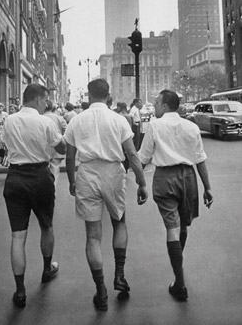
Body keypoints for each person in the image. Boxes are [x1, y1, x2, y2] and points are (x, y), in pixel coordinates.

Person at [64, 79, 148, 312]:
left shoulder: (76, 121)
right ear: (107, 95)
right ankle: (119, 275)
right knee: (119, 222)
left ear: (88, 95)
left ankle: (100, 290)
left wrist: (72, 181)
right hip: (113, 173)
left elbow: (70, 157)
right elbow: (131, 154)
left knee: (93, 236)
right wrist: (141, 183)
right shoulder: (118, 120)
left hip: (87, 173)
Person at [138, 90, 213, 301]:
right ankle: (178, 264)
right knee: (183, 225)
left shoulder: (154, 125)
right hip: (188, 177)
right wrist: (207, 188)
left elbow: (143, 157)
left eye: (157, 102)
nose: (155, 105)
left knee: (172, 227)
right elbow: (200, 160)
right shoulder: (192, 127)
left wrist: (140, 182)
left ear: (165, 105)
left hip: (165, 178)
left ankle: (180, 283)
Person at [2, 84, 66, 308]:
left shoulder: (8, 120)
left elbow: (3, 144)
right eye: (45, 100)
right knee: (46, 226)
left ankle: (20, 291)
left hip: (15, 177)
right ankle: (47, 269)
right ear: (38, 100)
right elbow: (62, 148)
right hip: (39, 176)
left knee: (18, 237)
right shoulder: (45, 121)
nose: (46, 104)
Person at [44, 100, 67, 185]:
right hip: (57, 146)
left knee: (43, 168)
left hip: (43, 146)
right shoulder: (59, 118)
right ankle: (53, 188)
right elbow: (65, 130)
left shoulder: (40, 117)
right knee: (54, 168)